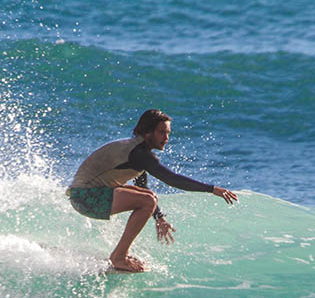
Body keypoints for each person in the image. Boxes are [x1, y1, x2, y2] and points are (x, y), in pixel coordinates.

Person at [67, 109, 238, 272]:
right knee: (147, 200)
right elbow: (171, 179)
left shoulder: (137, 150)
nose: (166, 138)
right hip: (84, 198)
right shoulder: (139, 154)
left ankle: (121, 253)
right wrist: (211, 189)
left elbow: (143, 187)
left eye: (168, 133)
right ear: (148, 132)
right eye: (162, 132)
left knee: (148, 196)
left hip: (86, 195)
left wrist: (159, 217)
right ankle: (119, 256)